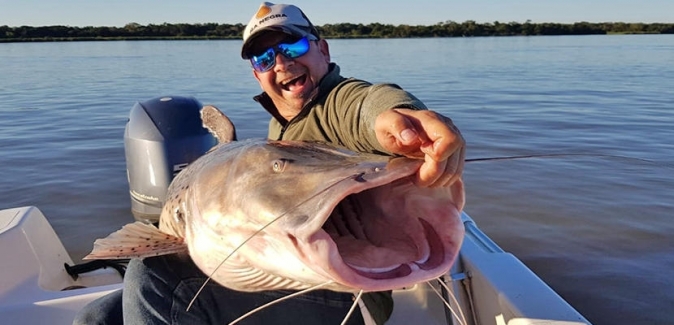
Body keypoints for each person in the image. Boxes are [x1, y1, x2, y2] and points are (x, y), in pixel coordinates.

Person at [73, 2, 465, 325]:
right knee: (97, 316)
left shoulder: (335, 102)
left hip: (346, 298)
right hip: (287, 277)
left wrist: (402, 119)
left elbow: (367, 106)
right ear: (256, 73)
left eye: (292, 47)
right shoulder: (282, 126)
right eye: (264, 58)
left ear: (323, 49)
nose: (280, 63)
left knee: (153, 276)